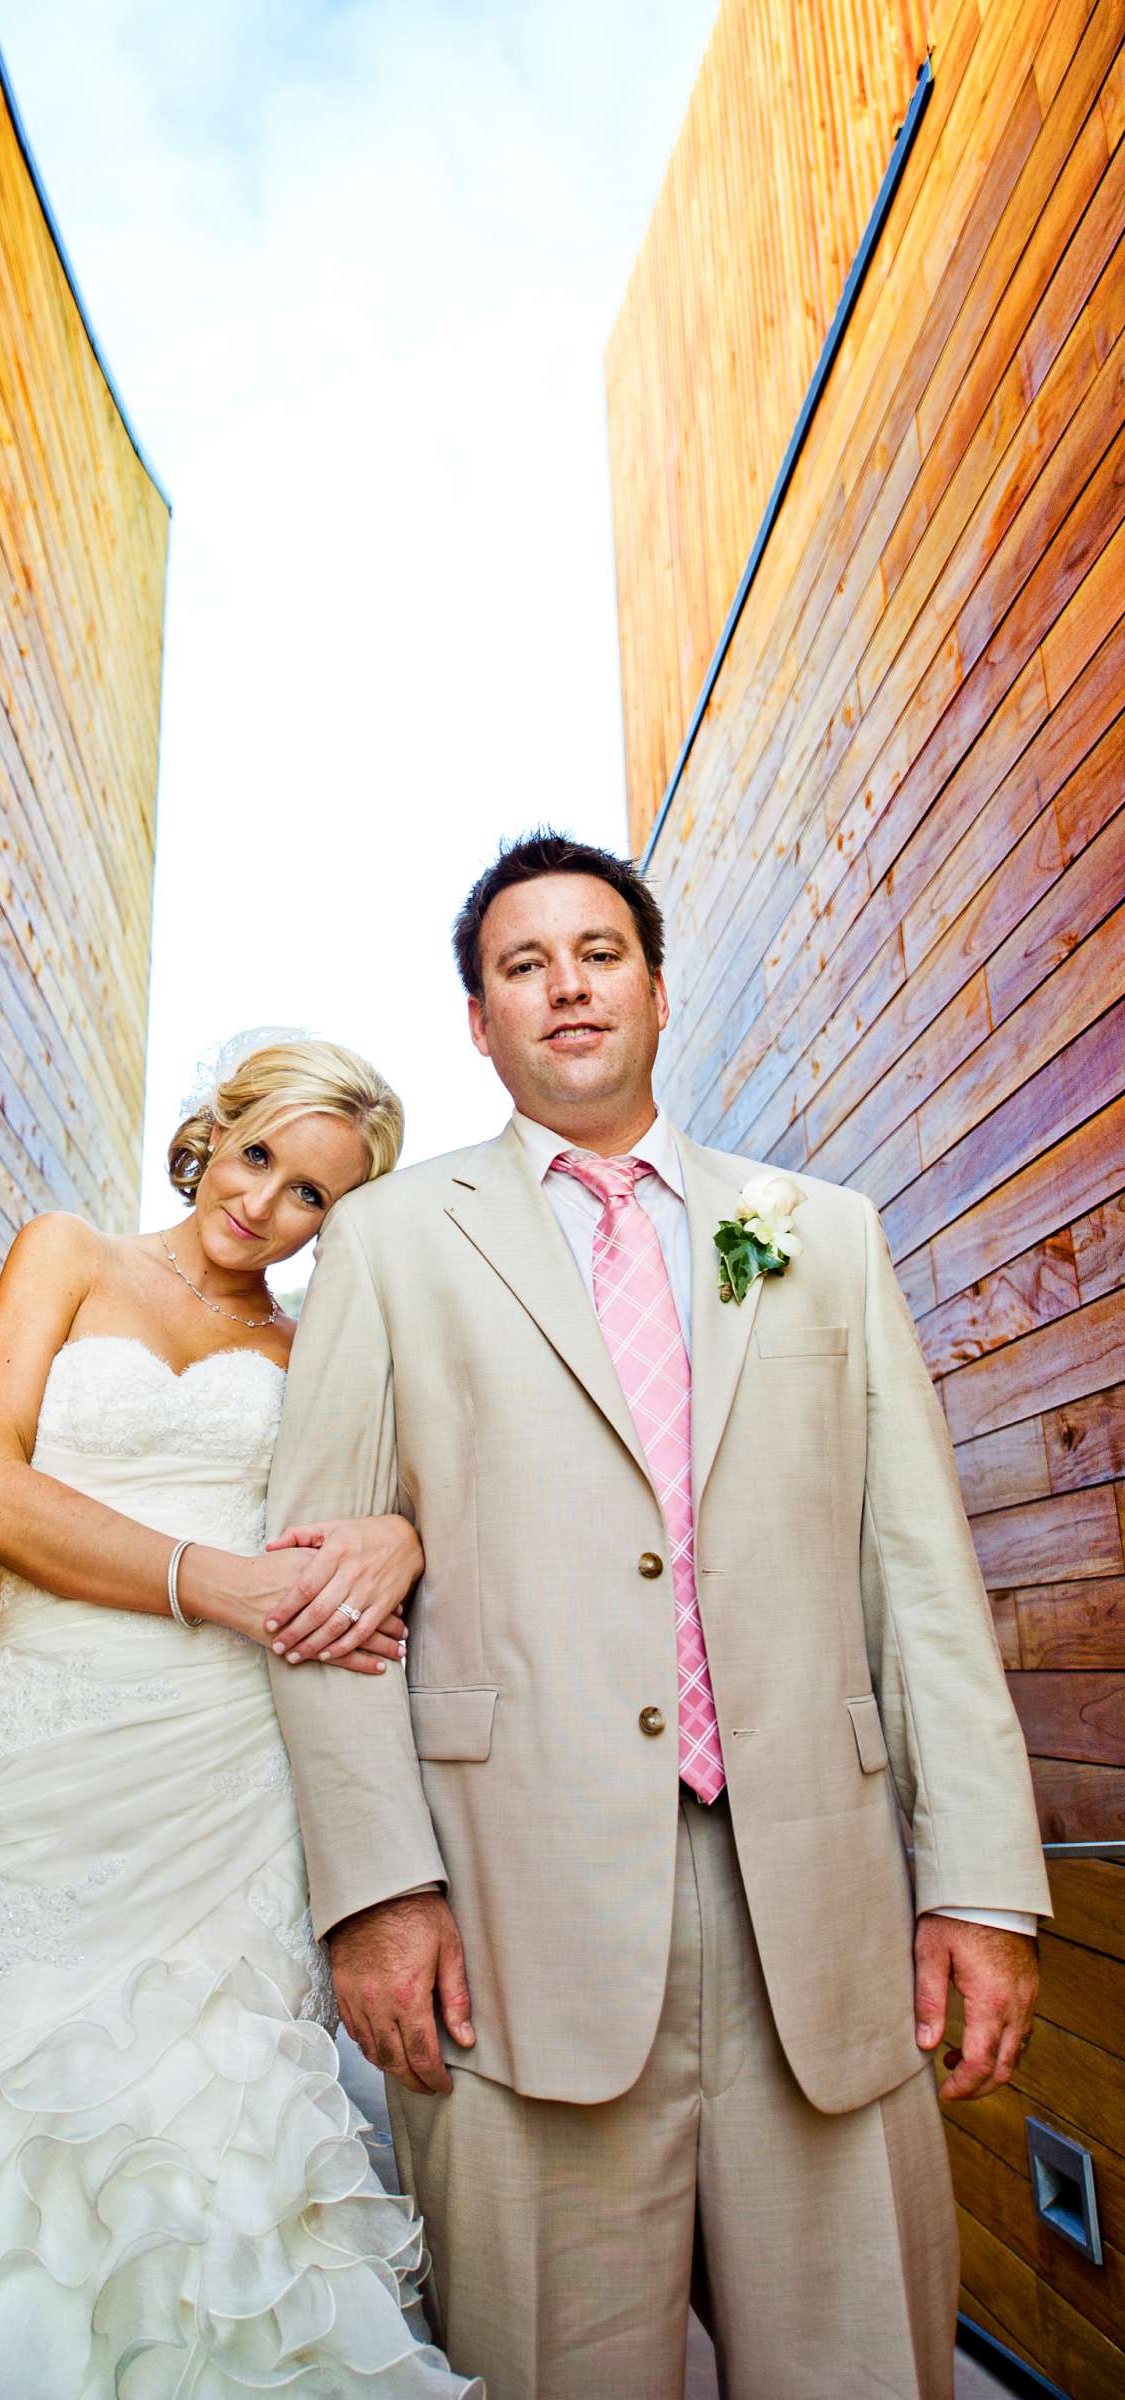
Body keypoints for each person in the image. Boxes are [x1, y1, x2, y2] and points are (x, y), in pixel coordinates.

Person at [267, 832, 1051, 2400]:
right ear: (478, 1021)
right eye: (522, 964)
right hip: (507, 1923)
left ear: (659, 988)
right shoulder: (390, 1242)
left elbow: (919, 1577)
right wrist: (373, 1892)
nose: (567, 985)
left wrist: (981, 1884)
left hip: (826, 1918)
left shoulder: (823, 1233)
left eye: (599, 952)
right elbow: (321, 1594)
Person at [0, 1037, 479, 2399]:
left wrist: (397, 1534)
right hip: (58, 1747)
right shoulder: (68, 1256)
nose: (265, 1205)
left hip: (230, 1773)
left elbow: (420, 1496)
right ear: (219, 1129)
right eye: (260, 1156)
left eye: (313, 1195)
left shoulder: (313, 1350)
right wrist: (218, 1587)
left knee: (230, 2114)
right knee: (22, 2105)